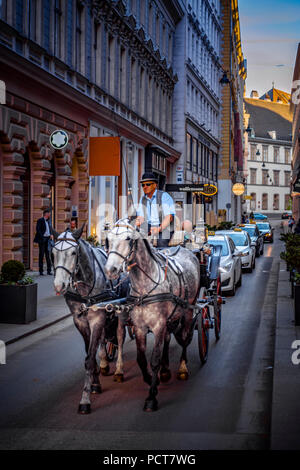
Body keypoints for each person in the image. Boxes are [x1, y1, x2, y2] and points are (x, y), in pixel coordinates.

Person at [136, 172, 175, 248]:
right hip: (149, 226)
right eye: (143, 185)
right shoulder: (142, 199)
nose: (145, 187)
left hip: (165, 227)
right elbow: (141, 217)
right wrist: (137, 222)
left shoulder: (164, 196)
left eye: (148, 184)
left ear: (155, 185)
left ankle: (163, 258)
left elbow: (169, 217)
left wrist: (159, 229)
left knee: (161, 243)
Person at [34, 209, 53, 275]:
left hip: (47, 239)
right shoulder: (40, 220)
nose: (50, 214)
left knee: (48, 255)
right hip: (42, 240)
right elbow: (38, 229)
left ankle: (49, 271)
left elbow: (49, 229)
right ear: (46, 214)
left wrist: (51, 234)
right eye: (49, 213)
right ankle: (41, 271)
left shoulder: (48, 221)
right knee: (41, 255)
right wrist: (42, 237)